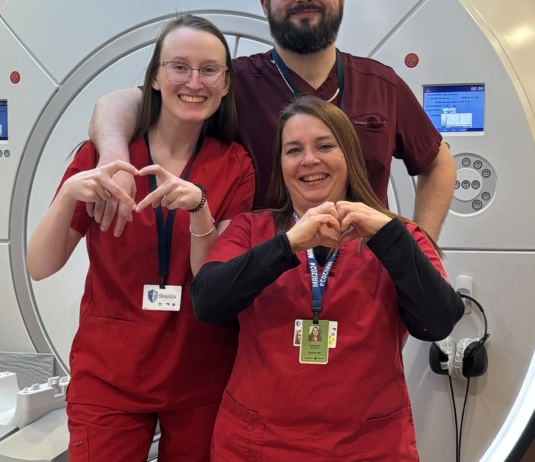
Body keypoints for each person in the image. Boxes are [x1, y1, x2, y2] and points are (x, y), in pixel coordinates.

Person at [88, 0, 455, 240]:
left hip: (364, 285)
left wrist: (417, 247)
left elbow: (438, 163)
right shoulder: (236, 83)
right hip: (264, 286)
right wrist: (113, 158)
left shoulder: (381, 85)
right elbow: (123, 103)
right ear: (266, 4)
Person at [26, 14, 255, 462]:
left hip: (201, 371)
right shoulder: (103, 158)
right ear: (154, 76)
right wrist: (68, 194)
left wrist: (199, 209)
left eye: (209, 70)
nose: (194, 81)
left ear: (226, 84)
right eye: (179, 67)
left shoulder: (235, 166)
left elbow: (209, 279)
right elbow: (40, 265)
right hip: (110, 375)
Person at [191, 95, 464, 461]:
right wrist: (287, 245)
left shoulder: (399, 235)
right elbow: (207, 303)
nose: (309, 160)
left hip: (367, 446)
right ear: (281, 163)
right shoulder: (251, 229)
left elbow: (437, 323)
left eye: (324, 146)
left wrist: (388, 235)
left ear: (349, 155)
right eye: (293, 150)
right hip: (258, 444)